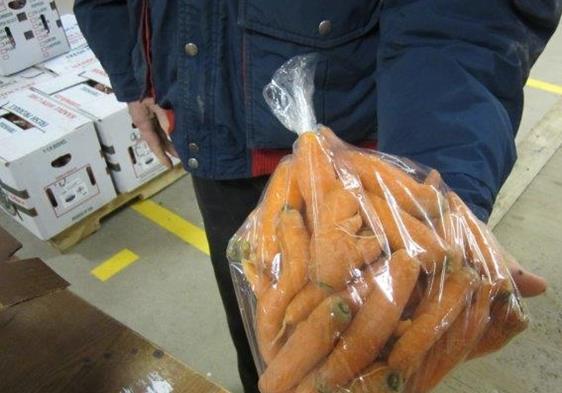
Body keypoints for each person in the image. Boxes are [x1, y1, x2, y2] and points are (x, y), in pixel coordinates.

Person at [74, 1, 560, 392]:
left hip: (364, 169)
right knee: (267, 346)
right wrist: (133, 74)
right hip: (211, 141)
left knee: (379, 353)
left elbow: (462, 18)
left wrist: (437, 191)